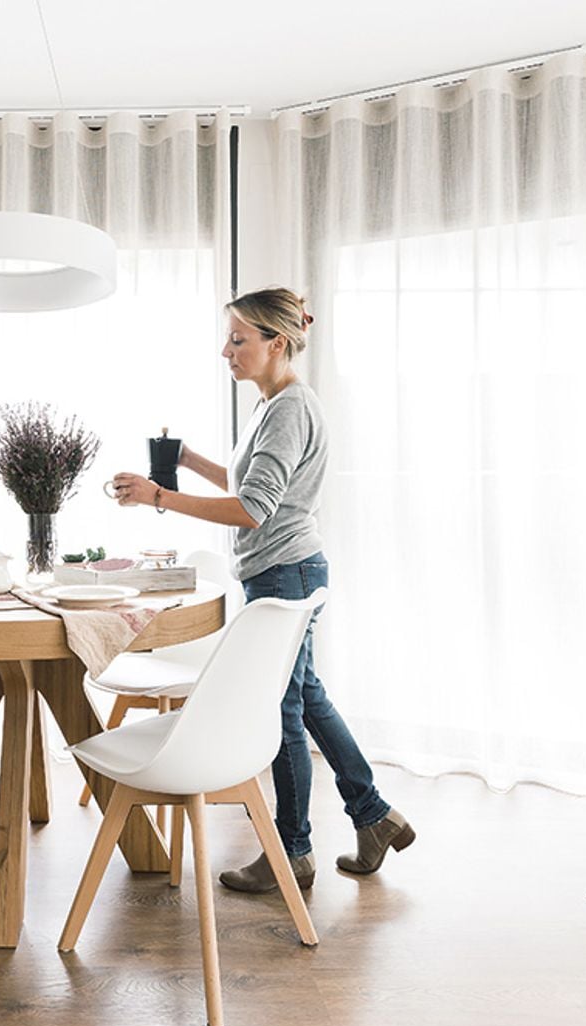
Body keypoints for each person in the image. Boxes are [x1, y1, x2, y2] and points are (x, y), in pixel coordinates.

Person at [108, 286, 414, 892]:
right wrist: (190, 460)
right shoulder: (274, 404)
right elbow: (255, 481)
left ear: (276, 343)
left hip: (284, 574)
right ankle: (374, 816)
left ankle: (291, 854)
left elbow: (253, 508)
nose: (227, 351)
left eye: (238, 339)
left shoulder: (290, 409)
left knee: (285, 710)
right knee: (309, 699)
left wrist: (159, 497)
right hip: (288, 569)